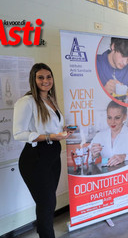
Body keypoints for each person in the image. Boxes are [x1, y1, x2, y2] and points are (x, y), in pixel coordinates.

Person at [13, 63, 74, 238]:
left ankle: (43, 233)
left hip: (52, 155)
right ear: (33, 79)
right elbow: (18, 134)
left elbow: (49, 127)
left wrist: (63, 130)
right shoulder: (27, 101)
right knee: (46, 204)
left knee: (48, 203)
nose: (45, 81)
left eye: (48, 77)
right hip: (35, 158)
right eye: (40, 77)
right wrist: (50, 137)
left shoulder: (50, 99)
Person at [90, 101, 128, 167]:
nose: (112, 122)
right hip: (106, 175)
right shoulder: (99, 136)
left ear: (125, 117)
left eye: (117, 118)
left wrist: (124, 157)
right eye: (109, 117)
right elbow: (86, 159)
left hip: (126, 175)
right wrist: (93, 155)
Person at [96, 37, 128, 101]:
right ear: (113, 46)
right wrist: (103, 92)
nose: (125, 62)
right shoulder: (95, 63)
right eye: (123, 55)